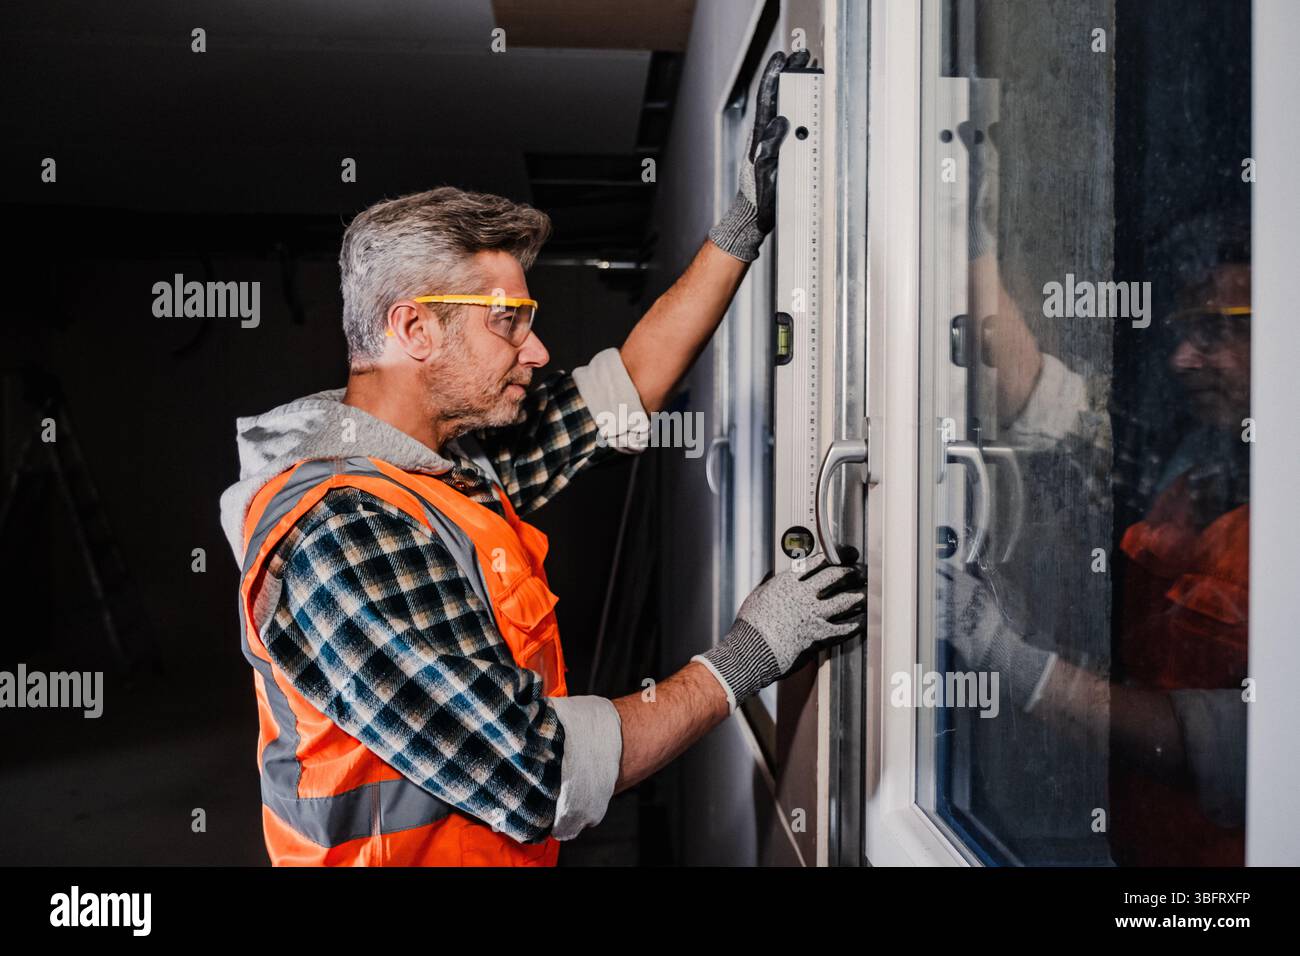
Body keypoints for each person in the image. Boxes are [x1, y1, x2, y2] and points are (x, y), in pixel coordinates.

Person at [217, 50, 867, 866]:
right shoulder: (342, 538)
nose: (537, 349)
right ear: (414, 329)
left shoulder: (444, 468)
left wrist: (745, 222)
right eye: (508, 322)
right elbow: (539, 772)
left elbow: (625, 385)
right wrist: (750, 653)